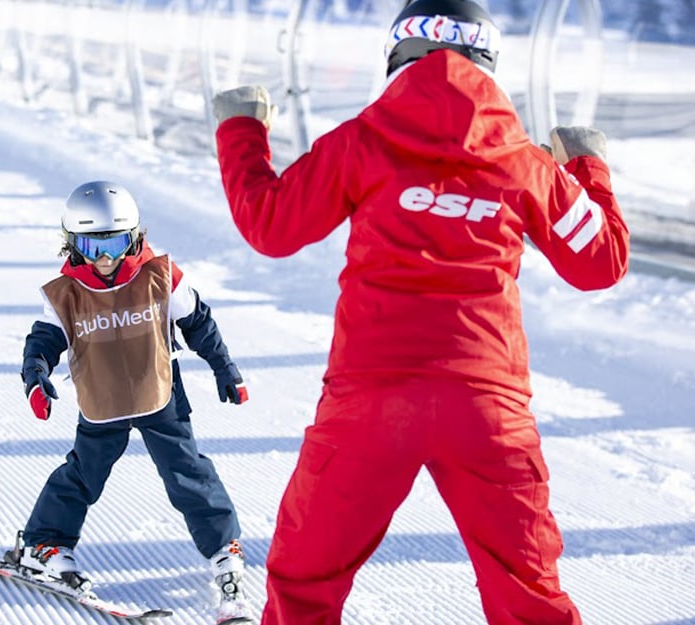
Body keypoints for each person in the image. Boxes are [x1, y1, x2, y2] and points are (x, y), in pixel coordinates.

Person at [210, 0, 629, 623]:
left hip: (370, 404)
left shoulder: (365, 139)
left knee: (305, 582)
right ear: (488, 62)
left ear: (398, 56)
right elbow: (600, 262)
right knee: (528, 593)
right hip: (488, 412)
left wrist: (242, 128)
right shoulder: (524, 162)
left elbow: (270, 224)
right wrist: (587, 167)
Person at [7, 180, 252, 619]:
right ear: (71, 242)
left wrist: (224, 367)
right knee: (82, 476)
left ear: (134, 236)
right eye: (91, 244)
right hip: (102, 401)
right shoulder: (65, 295)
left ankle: (223, 548)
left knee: (189, 474)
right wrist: (36, 378)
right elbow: (42, 344)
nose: (105, 257)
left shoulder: (160, 275)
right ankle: (43, 543)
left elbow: (199, 322)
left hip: (161, 395)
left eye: (117, 242)